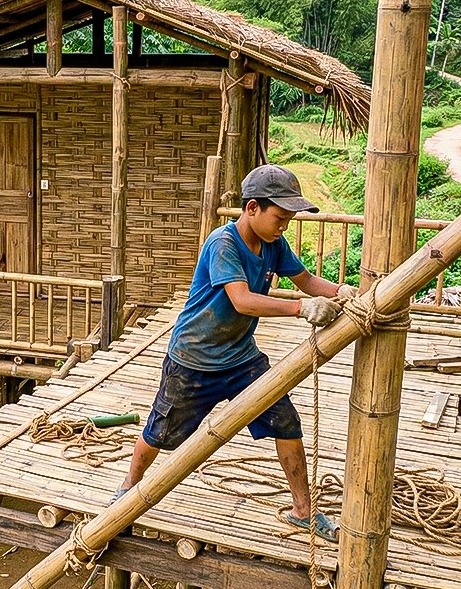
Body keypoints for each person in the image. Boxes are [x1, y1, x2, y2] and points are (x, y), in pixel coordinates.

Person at [114, 164, 355, 542]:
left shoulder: (274, 245)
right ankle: (128, 487)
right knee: (160, 432)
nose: (284, 227)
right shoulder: (222, 243)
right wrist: (301, 308)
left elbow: (306, 280)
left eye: (288, 220)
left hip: (242, 359)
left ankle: (303, 512)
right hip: (194, 360)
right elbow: (241, 300)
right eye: (280, 218)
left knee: (286, 423)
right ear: (253, 208)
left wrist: (340, 291)